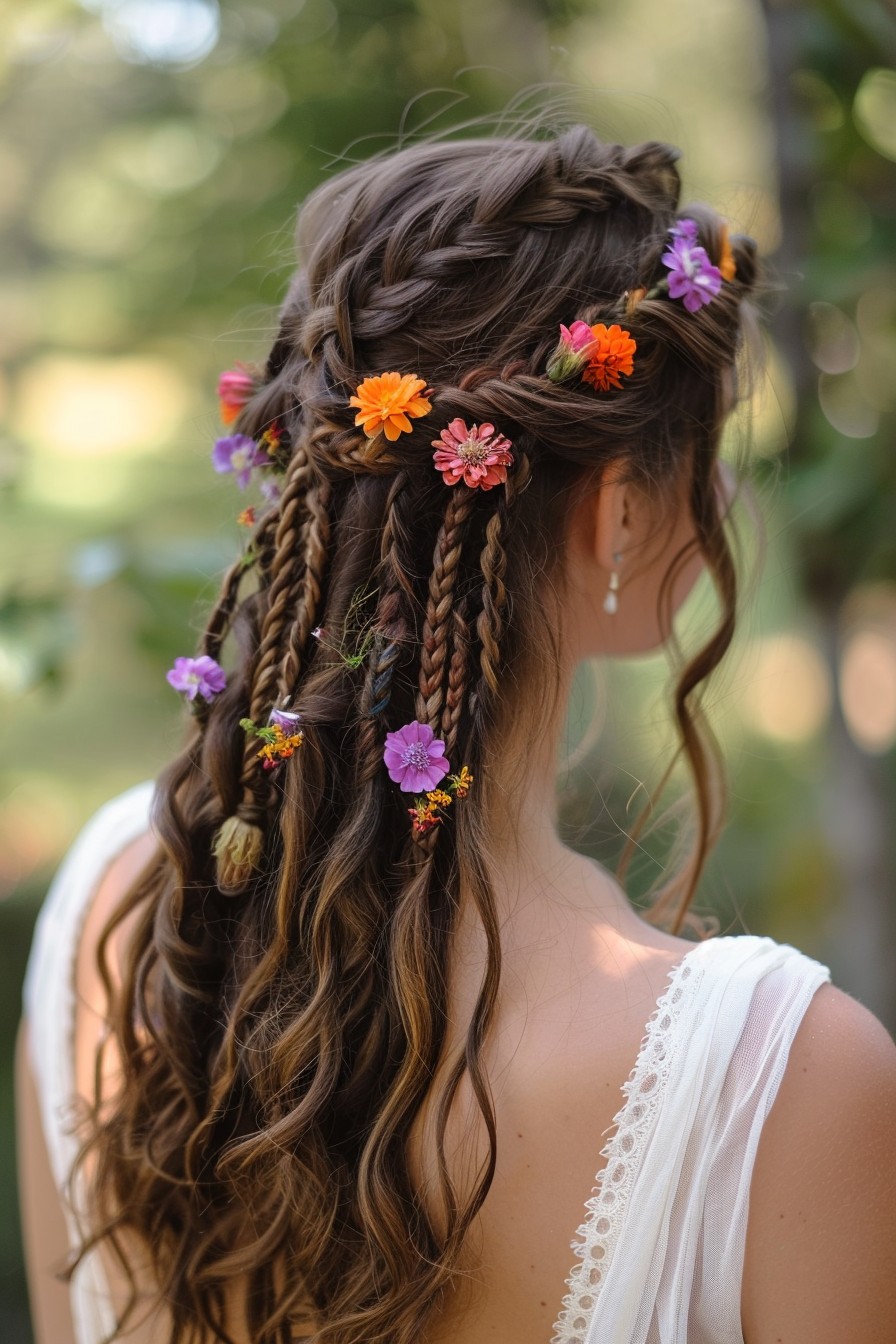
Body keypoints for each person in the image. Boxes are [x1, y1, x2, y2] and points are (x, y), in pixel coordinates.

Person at [16, 124, 896, 1344]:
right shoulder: (780, 1083)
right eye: (704, 463)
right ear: (622, 513)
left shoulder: (109, 913)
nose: (724, 504)